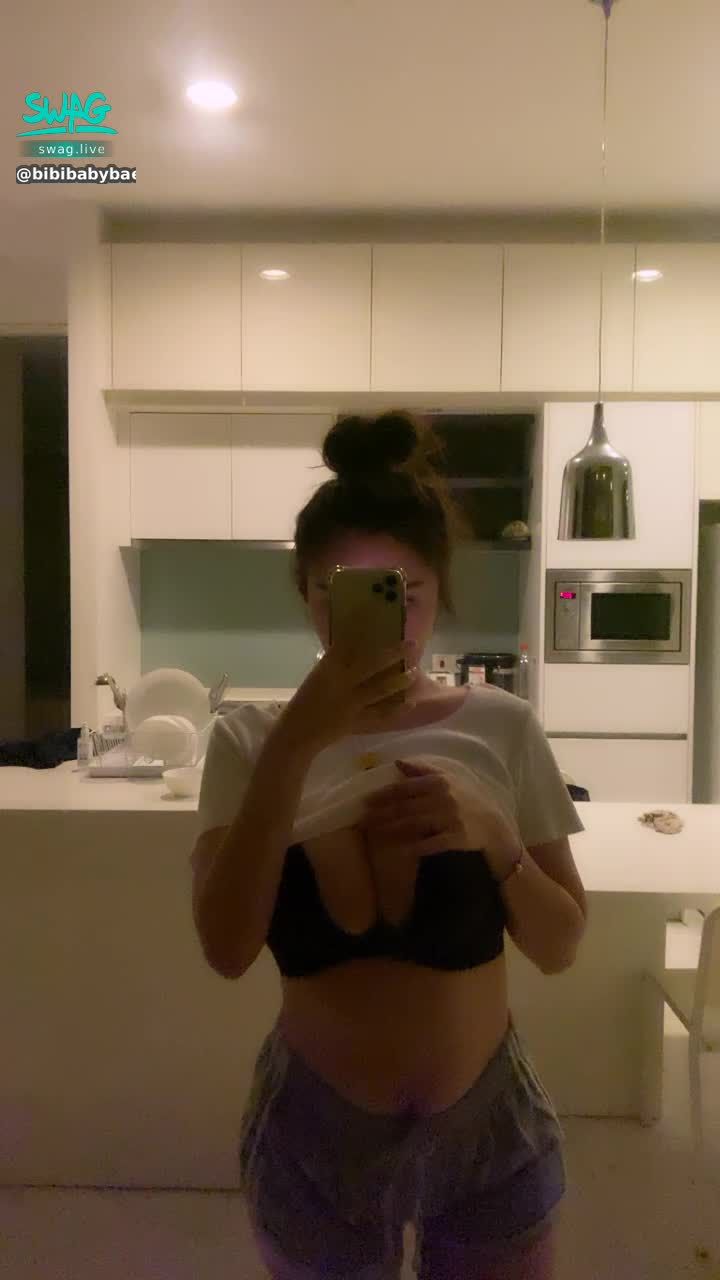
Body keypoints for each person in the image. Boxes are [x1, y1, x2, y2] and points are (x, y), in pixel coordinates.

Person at [191, 410, 588, 1280]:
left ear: (439, 593)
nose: (390, 622)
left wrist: (492, 831)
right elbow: (225, 947)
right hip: (313, 1132)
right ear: (308, 595)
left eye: (406, 594)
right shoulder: (249, 740)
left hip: (491, 1125)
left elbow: (561, 944)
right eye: (348, 594)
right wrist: (297, 743)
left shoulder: (502, 727)